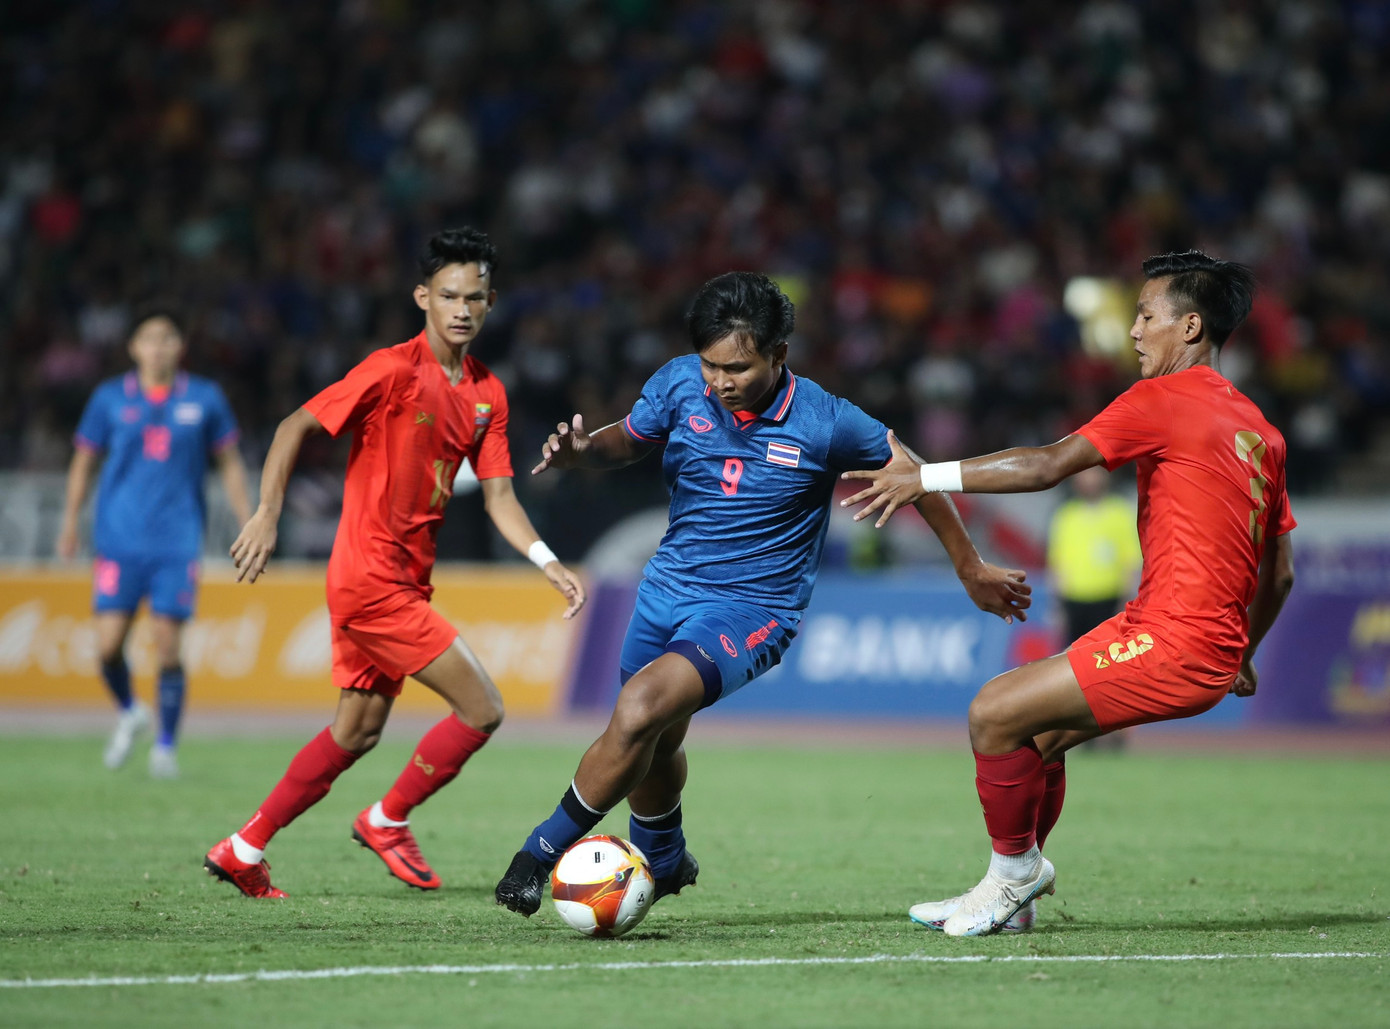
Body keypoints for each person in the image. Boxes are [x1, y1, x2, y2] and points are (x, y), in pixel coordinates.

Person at [493, 271, 1032, 916]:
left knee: (638, 708)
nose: (721, 382)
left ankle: (537, 854)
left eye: (739, 368)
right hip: (666, 588)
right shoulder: (678, 383)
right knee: (655, 737)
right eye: (711, 365)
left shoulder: (827, 420)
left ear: (779, 354)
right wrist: (583, 452)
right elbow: (625, 440)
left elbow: (916, 476)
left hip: (753, 610)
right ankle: (663, 860)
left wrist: (969, 567)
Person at [841, 250, 1296, 937]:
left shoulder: (1165, 399)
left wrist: (924, 476)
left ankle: (1013, 875)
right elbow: (1280, 572)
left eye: (1146, 315)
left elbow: (1049, 464)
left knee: (992, 712)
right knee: (1039, 738)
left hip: (1174, 639)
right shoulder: (1262, 433)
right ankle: (1013, 899)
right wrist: (1243, 651)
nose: (1135, 330)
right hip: (1184, 633)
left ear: (1191, 327)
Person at [204, 227, 586, 899]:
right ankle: (387, 817)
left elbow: (499, 496)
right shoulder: (389, 370)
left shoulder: (486, 394)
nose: (461, 308)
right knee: (483, 708)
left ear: (491, 302)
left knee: (357, 728)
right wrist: (266, 512)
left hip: (402, 578)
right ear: (423, 297)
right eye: (448, 295)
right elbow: (295, 425)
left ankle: (243, 845)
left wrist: (546, 559)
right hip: (370, 579)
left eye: (474, 297)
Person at [57, 306, 252, 779]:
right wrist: (69, 520)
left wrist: (250, 518)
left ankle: (165, 745)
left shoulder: (204, 398)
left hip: (176, 541)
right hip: (118, 540)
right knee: (107, 647)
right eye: (149, 338)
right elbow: (84, 461)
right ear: (133, 347)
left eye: (168, 338)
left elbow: (228, 461)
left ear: (180, 347)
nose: (158, 347)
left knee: (167, 648)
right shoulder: (108, 399)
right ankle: (130, 710)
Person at [1045, 465, 1141, 751]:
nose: (1089, 479)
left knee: (1116, 670)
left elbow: (1130, 561)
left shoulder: (1120, 512)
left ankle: (1118, 732)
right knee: (1074, 671)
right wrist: (1058, 604)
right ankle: (1080, 732)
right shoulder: (1066, 516)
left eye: (1094, 473)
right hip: (1075, 600)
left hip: (1108, 600)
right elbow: (1057, 563)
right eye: (1084, 473)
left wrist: (1126, 602)